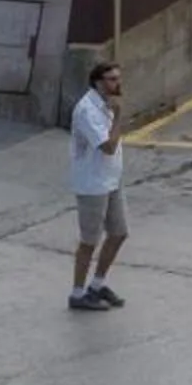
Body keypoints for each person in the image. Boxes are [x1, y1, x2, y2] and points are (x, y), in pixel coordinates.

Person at [68, 62, 129, 310]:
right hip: (92, 184)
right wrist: (119, 118)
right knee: (89, 241)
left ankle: (97, 284)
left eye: (118, 78)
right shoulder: (87, 110)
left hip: (112, 180)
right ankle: (78, 293)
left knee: (118, 233)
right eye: (112, 79)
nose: (117, 84)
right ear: (98, 82)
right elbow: (108, 146)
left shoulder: (106, 105)